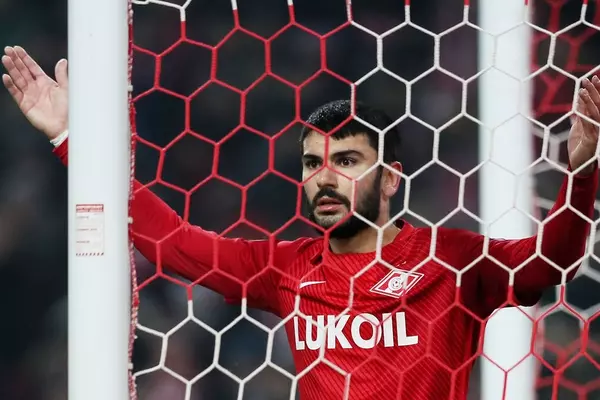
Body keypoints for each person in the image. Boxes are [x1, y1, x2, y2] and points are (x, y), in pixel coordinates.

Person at [2, 45, 600, 400]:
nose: (324, 179)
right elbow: (170, 243)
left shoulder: (453, 259)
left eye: (347, 162)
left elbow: (553, 261)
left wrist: (582, 169)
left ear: (391, 179)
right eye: (314, 163)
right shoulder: (286, 268)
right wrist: (71, 138)